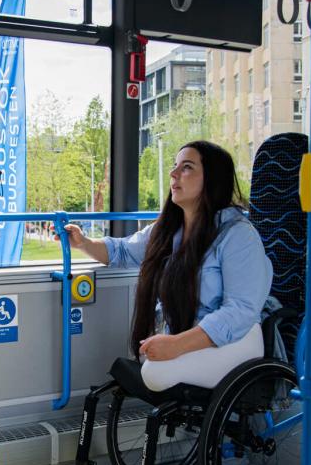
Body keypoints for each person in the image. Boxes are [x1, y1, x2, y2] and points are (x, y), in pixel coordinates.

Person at [60, 141, 272, 390]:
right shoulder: (170, 230)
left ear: (212, 179)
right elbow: (122, 251)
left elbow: (240, 311)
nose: (173, 174)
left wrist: (177, 345)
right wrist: (82, 242)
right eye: (174, 166)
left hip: (238, 341)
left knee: (154, 372)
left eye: (187, 167)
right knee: (149, 364)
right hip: (191, 338)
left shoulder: (238, 236)